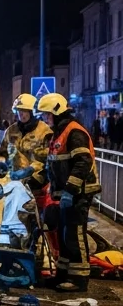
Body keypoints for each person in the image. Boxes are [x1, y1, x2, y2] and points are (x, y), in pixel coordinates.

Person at [25, 93, 101, 293]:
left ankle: (79, 279)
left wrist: (69, 190)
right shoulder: (59, 134)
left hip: (79, 193)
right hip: (65, 194)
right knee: (65, 235)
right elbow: (53, 166)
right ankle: (62, 275)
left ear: (57, 112)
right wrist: (32, 181)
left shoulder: (74, 132)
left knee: (75, 235)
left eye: (46, 115)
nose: (44, 119)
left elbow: (83, 163)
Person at [0, 93, 52, 185]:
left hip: (36, 182)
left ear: (32, 112)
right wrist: (1, 164)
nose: (20, 113)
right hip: (14, 181)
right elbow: (3, 152)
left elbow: (48, 158)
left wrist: (31, 169)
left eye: (24, 110)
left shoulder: (45, 131)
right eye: (18, 110)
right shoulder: (11, 130)